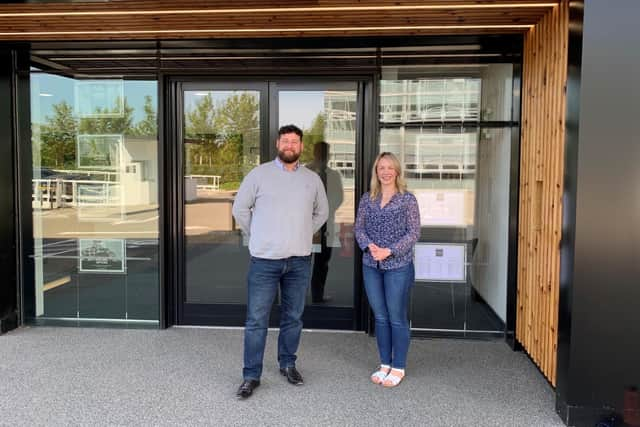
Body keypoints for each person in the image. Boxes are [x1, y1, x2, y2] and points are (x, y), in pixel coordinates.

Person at [231, 124, 329, 399]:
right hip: (264, 261)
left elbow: (322, 211)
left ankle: (288, 364)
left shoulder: (311, 179)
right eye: (285, 141)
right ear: (278, 144)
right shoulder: (259, 174)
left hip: (299, 261)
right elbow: (239, 208)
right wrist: (258, 232)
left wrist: (303, 231)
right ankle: (251, 375)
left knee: (293, 317)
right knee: (256, 320)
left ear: (301, 147)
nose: (290, 145)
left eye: (295, 142)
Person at [354, 152, 420, 388]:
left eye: (390, 167)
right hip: (371, 265)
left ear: (397, 171)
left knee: (396, 317)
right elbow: (358, 228)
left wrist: (389, 251)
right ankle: (384, 364)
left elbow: (414, 233)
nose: (385, 172)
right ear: (376, 171)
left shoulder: (407, 199)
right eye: (381, 167)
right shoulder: (367, 198)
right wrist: (369, 246)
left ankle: (398, 366)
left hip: (397, 267)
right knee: (380, 317)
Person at [306, 142, 344, 304]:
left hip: (327, 225)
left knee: (322, 262)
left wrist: (325, 212)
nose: (324, 157)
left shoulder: (334, 175)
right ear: (314, 153)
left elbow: (339, 197)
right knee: (301, 262)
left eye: (326, 153)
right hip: (305, 226)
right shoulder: (304, 172)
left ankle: (317, 296)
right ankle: (298, 296)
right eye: (321, 153)